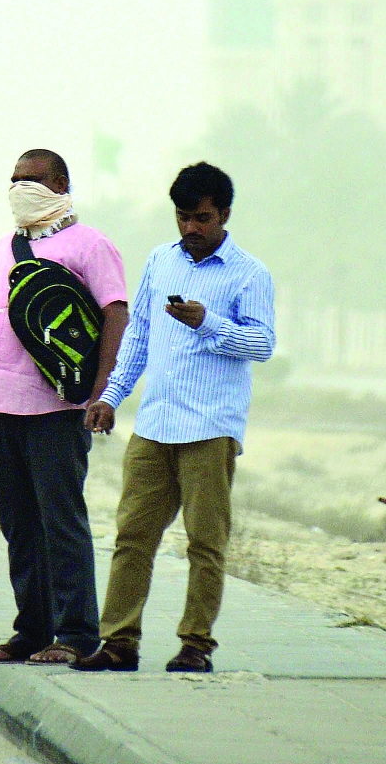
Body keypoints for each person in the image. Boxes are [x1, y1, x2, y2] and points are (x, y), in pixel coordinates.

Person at [73, 161, 275, 674]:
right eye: (183, 217)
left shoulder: (249, 273)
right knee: (132, 537)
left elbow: (263, 344)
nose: (191, 228)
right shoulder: (161, 262)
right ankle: (119, 643)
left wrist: (210, 323)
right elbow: (138, 337)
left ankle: (195, 645)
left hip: (211, 428)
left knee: (205, 542)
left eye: (202, 218)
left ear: (224, 214)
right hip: (155, 426)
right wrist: (111, 396)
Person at [0, 149, 129, 668]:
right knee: (18, 523)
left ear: (61, 183)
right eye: (14, 179)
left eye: (33, 179)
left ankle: (77, 632)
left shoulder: (89, 244)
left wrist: (102, 390)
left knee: (60, 520)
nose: (21, 187)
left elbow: (115, 314)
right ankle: (30, 630)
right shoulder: (3, 248)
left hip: (54, 409)